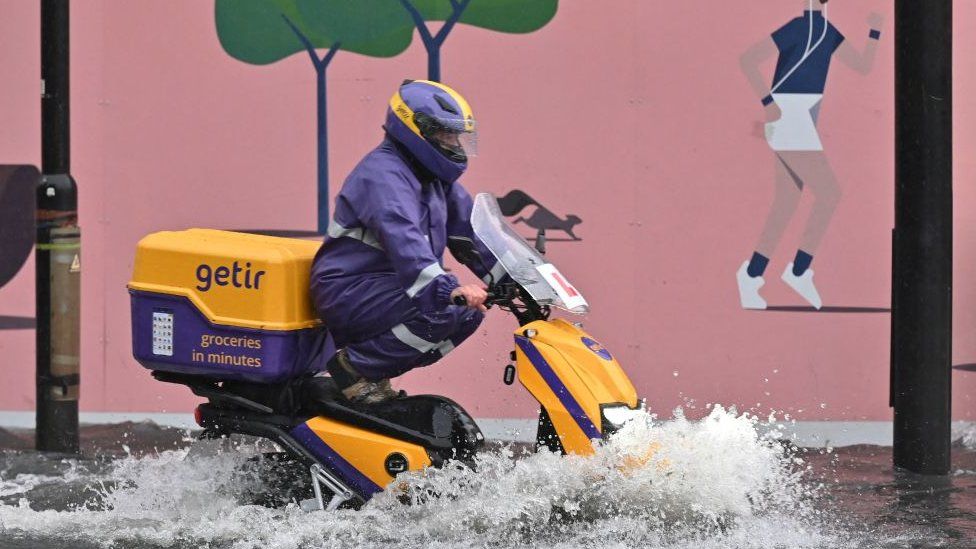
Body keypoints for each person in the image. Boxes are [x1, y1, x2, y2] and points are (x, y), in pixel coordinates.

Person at [310, 80, 504, 404]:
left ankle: (373, 373)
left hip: (388, 289)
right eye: (445, 134)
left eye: (457, 135)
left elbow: (474, 235)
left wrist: (518, 280)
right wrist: (445, 289)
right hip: (349, 290)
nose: (454, 143)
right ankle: (354, 368)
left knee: (470, 314)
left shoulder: (434, 179)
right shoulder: (383, 175)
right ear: (416, 130)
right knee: (440, 306)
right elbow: (405, 239)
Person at [737, 0, 883, 309]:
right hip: (790, 118)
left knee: (786, 203)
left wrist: (875, 31)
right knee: (829, 194)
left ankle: (752, 275)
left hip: (803, 117)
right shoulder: (799, 28)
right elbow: (748, 60)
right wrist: (768, 103)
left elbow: (862, 66)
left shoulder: (827, 32)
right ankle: (799, 270)